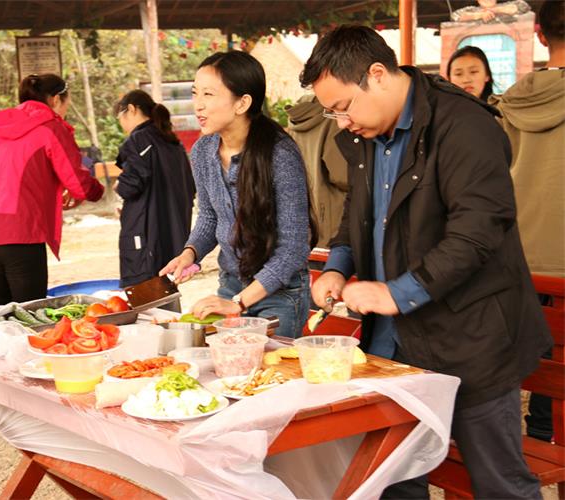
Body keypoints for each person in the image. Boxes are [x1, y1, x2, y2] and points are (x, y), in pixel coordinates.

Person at [302, 26, 551, 498]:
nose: (341, 122)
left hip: (472, 340)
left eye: (343, 106)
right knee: (394, 479)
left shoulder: (464, 125)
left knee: (500, 483)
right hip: (395, 347)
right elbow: (361, 212)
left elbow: (478, 233)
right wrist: (337, 263)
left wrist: (396, 292)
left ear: (377, 75)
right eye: (331, 112)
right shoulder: (362, 138)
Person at [160, 51, 312, 338]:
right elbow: (208, 216)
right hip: (230, 284)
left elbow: (293, 247)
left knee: (270, 376)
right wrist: (189, 253)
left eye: (209, 94)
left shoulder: (280, 154)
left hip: (279, 294)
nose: (199, 105)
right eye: (195, 94)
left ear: (242, 102)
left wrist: (238, 303)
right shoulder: (204, 151)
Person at [490, 0, 565, 444]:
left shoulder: (513, 103)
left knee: (543, 377)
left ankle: (539, 441)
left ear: (537, 33)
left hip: (526, 260)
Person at [0, 74, 104, 306]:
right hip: (21, 233)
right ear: (55, 100)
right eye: (66, 104)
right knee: (29, 319)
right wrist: (96, 191)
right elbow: (78, 181)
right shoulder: (50, 127)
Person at [114, 90, 195, 287]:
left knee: (146, 298)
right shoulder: (171, 140)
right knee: (166, 290)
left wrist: (119, 186)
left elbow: (132, 183)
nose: (121, 124)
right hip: (174, 233)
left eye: (120, 117)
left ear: (131, 109)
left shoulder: (139, 140)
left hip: (146, 235)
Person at [286, 95, 348, 248]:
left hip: (307, 215)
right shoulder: (332, 120)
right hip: (333, 219)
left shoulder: (296, 120)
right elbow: (343, 177)